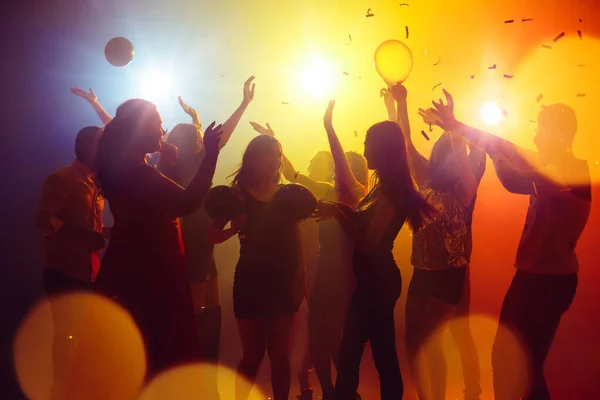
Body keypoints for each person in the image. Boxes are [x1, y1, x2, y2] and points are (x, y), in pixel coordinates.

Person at [429, 90, 591, 400]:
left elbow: (512, 180)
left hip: (549, 281)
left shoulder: (571, 171)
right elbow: (497, 143)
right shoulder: (551, 164)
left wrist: (497, 156)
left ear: (556, 133)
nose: (535, 134)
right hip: (532, 276)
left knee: (526, 364)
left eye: (540, 127)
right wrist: (454, 124)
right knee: (511, 359)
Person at [94, 98, 224, 380]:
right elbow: (188, 202)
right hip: (150, 272)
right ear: (137, 130)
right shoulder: (137, 173)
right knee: (157, 350)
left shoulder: (127, 168)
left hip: (132, 265)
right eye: (156, 122)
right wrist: (212, 153)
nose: (162, 129)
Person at [314, 101, 435, 400]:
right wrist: (337, 210)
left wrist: (337, 212)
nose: (364, 150)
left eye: (368, 144)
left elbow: (369, 243)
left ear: (382, 148)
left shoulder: (393, 190)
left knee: (375, 354)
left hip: (378, 282)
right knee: (363, 352)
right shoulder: (381, 185)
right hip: (371, 281)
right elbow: (360, 219)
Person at [249, 122, 369, 400]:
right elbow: (294, 175)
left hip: (344, 273)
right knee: (317, 335)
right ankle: (330, 391)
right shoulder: (326, 190)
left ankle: (346, 391)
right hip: (325, 267)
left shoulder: (355, 194)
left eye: (345, 164)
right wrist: (277, 142)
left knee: (335, 335)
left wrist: (329, 127)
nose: (340, 167)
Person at [384, 84, 485, 400]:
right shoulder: (426, 178)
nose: (454, 159)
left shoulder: (465, 187)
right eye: (448, 154)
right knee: (412, 338)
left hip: (449, 273)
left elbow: (469, 154)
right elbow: (404, 142)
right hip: (422, 270)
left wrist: (453, 126)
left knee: (432, 339)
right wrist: (402, 102)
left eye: (458, 156)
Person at [158, 77, 255, 399]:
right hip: (193, 244)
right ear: (190, 143)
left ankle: (204, 382)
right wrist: (242, 105)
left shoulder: (179, 162)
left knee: (210, 312)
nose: (205, 140)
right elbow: (220, 137)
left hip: (200, 243)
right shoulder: (183, 163)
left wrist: (242, 105)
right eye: (198, 137)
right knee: (197, 316)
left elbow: (217, 136)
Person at [209, 134, 306, 400]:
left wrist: (301, 280)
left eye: (278, 153)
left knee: (280, 357)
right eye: (270, 153)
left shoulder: (286, 195)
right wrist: (233, 230)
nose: (276, 159)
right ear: (253, 158)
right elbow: (212, 235)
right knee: (252, 356)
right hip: (251, 282)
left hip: (283, 282)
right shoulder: (237, 196)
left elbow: (297, 240)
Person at [35, 87, 112, 400]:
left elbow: (91, 228)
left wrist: (108, 234)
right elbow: (43, 222)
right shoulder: (62, 179)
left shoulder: (97, 185)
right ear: (86, 147)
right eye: (101, 145)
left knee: (84, 338)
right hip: (63, 271)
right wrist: (85, 236)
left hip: (88, 271)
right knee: (65, 337)